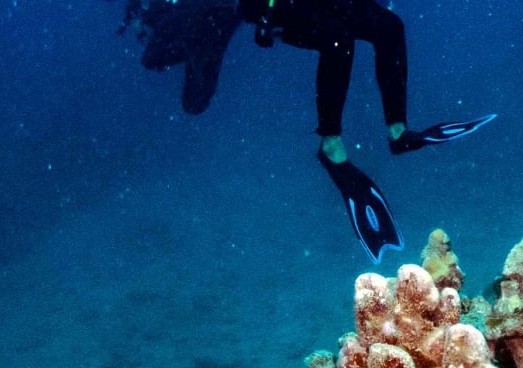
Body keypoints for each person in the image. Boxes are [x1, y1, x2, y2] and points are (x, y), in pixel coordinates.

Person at [121, 0, 493, 261]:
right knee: (338, 42)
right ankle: (331, 145)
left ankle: (398, 131)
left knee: (390, 27)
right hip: (280, 6)